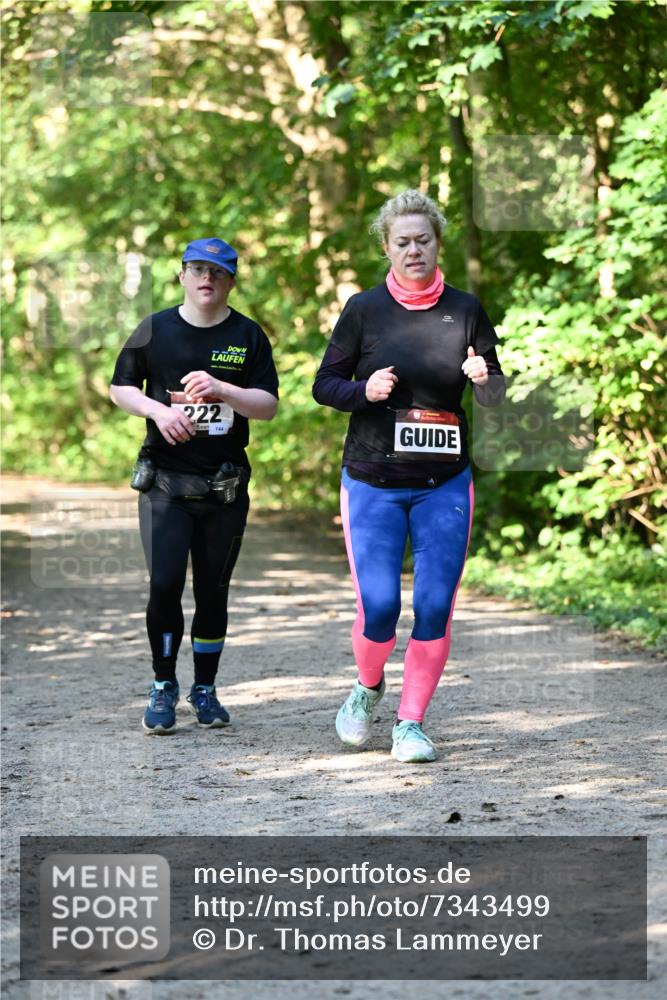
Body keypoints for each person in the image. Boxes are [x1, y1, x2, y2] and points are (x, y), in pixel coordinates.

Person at [313, 189, 505, 763]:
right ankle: (367, 688)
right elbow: (324, 385)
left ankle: (411, 722)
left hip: (443, 485)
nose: (414, 249)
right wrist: (362, 391)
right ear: (386, 247)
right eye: (403, 241)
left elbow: (495, 394)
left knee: (436, 604)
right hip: (372, 479)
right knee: (379, 608)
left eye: (424, 239)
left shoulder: (466, 309)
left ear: (437, 243)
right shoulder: (363, 309)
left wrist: (482, 376)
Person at [110, 238, 279, 734]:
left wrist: (224, 389)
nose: (208, 279)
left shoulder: (248, 335)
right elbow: (120, 387)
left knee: (213, 590)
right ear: (182, 275)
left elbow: (267, 406)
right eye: (198, 269)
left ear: (230, 281)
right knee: (164, 584)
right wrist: (158, 410)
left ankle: (204, 689)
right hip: (164, 482)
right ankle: (164, 684)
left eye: (219, 272)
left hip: (223, 488)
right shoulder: (154, 329)